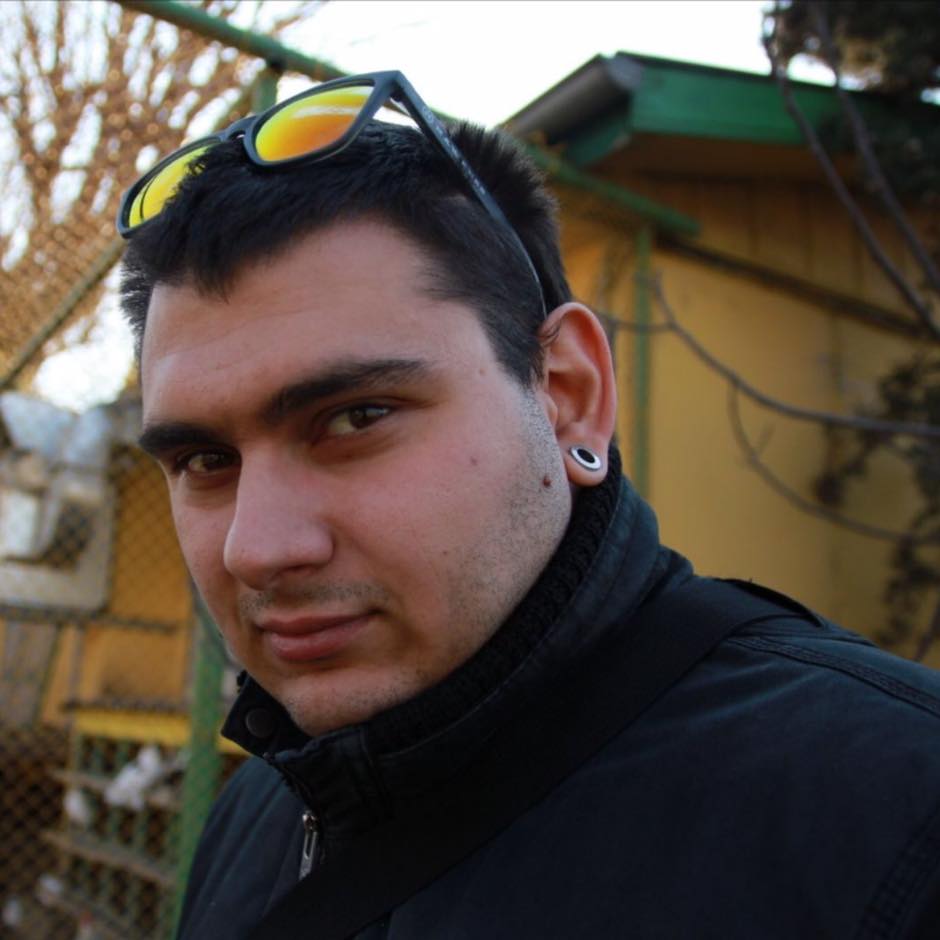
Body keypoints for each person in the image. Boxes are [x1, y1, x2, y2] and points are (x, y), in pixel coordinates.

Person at [119, 72, 940, 939]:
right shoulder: (257, 810)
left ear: (568, 395)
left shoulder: (896, 817)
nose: (256, 548)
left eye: (356, 418)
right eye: (205, 460)